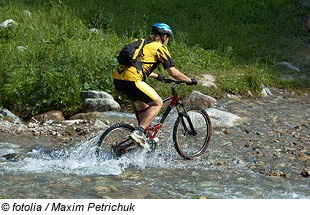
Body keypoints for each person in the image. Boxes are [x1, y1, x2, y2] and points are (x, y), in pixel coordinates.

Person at [112, 22, 197, 149]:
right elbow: (173, 72)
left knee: (145, 106)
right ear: (163, 37)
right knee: (158, 103)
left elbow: (135, 65)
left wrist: (157, 76)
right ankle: (139, 133)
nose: (167, 40)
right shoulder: (159, 47)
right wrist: (189, 80)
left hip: (118, 79)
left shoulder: (140, 42)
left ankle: (134, 144)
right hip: (132, 81)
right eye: (167, 37)